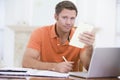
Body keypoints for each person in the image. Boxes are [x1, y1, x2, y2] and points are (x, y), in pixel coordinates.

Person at [22, 0, 95, 73]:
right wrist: (54, 66)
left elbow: (89, 67)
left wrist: (89, 47)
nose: (68, 22)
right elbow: (26, 62)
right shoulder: (40, 33)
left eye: (72, 18)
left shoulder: (80, 36)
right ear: (56, 17)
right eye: (64, 17)